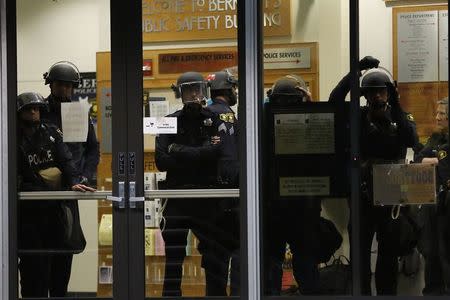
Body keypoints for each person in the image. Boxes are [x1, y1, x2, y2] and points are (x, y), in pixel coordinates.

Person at [329, 56, 419, 295]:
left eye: (382, 92)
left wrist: (397, 102)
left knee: (388, 255)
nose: (377, 97)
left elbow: (412, 140)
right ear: (365, 96)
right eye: (372, 93)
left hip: (390, 192)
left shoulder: (400, 117)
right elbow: (335, 101)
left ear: (388, 93)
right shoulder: (357, 116)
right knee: (359, 254)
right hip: (362, 192)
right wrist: (355, 73)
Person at [16, 92, 95, 298]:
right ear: (19, 112)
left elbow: (66, 161)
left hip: (55, 210)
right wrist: (46, 188)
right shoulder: (12, 139)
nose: (34, 112)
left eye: (37, 108)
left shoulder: (51, 132)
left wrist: (75, 181)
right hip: (28, 214)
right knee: (34, 271)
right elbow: (15, 180)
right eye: (29, 108)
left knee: (61, 265)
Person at [155, 71, 223, 296]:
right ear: (180, 93)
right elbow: (161, 161)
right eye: (188, 90)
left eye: (198, 89)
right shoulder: (168, 121)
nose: (194, 94)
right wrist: (199, 155)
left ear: (204, 91)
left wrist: (177, 150)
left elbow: (216, 154)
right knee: (174, 256)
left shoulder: (214, 119)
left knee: (213, 254)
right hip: (177, 198)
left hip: (206, 198)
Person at [40, 61, 100, 296]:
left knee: (66, 249)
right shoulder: (38, 110)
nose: (65, 90)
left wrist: (84, 175)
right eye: (61, 85)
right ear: (51, 85)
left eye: (69, 86)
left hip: (69, 190)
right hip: (40, 192)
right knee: (40, 253)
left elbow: (92, 149)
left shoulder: (78, 112)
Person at [263, 75, 322, 295]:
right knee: (305, 263)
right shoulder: (311, 122)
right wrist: (312, 107)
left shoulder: (264, 123)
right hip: (302, 203)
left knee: (272, 263)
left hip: (276, 204)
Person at [202, 70, 240, 295]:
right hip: (234, 197)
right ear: (226, 90)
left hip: (210, 199)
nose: (235, 92)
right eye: (233, 88)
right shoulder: (232, 117)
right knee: (237, 252)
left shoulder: (205, 115)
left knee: (215, 257)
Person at [415, 98, 449, 295]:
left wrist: (437, 161)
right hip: (432, 200)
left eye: (442, 114)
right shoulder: (436, 138)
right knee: (431, 250)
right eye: (436, 113)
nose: (437, 117)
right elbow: (419, 158)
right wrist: (439, 160)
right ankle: (432, 291)